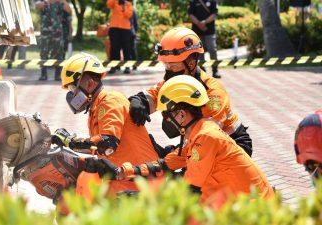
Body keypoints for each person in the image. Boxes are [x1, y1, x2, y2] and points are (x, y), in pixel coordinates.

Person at [98, 75, 274, 202]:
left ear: (181, 115)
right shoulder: (200, 134)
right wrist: (124, 171)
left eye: (166, 115)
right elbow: (165, 164)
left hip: (251, 212)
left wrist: (143, 195)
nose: (165, 120)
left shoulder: (205, 137)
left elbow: (190, 189)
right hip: (237, 204)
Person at [129, 27, 253, 157]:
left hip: (233, 145)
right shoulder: (175, 82)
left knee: (190, 172)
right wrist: (138, 101)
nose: (169, 70)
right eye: (166, 65)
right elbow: (151, 95)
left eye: (174, 65)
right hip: (202, 144)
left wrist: (171, 154)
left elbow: (206, 138)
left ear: (191, 62)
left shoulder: (213, 92)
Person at [52, 52, 160, 195]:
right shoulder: (96, 108)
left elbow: (107, 144)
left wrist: (71, 141)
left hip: (141, 182)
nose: (71, 95)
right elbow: (99, 149)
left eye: (73, 88)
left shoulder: (110, 101)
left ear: (90, 83)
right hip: (124, 179)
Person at [36, 0, 72, 81]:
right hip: (45, 31)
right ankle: (43, 74)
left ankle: (58, 75)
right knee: (43, 52)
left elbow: (69, 10)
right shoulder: (44, 2)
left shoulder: (60, 2)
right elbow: (37, 6)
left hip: (57, 31)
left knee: (59, 52)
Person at [188, 0, 221, 78]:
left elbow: (214, 14)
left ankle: (215, 69)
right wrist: (199, 24)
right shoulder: (193, 1)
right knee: (199, 52)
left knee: (212, 49)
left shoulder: (213, 1)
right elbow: (190, 14)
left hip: (209, 30)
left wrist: (204, 22)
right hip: (197, 31)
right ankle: (202, 72)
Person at [294, 109, 322, 183]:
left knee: (316, 176)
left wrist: (300, 157)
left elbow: (296, 143)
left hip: (307, 156)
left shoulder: (307, 120)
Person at [107, 0, 133, 74]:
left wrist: (124, 6)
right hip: (114, 27)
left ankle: (127, 67)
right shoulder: (115, 2)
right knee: (114, 47)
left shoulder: (129, 4)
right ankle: (114, 66)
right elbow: (109, 4)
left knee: (126, 48)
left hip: (125, 29)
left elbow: (128, 15)